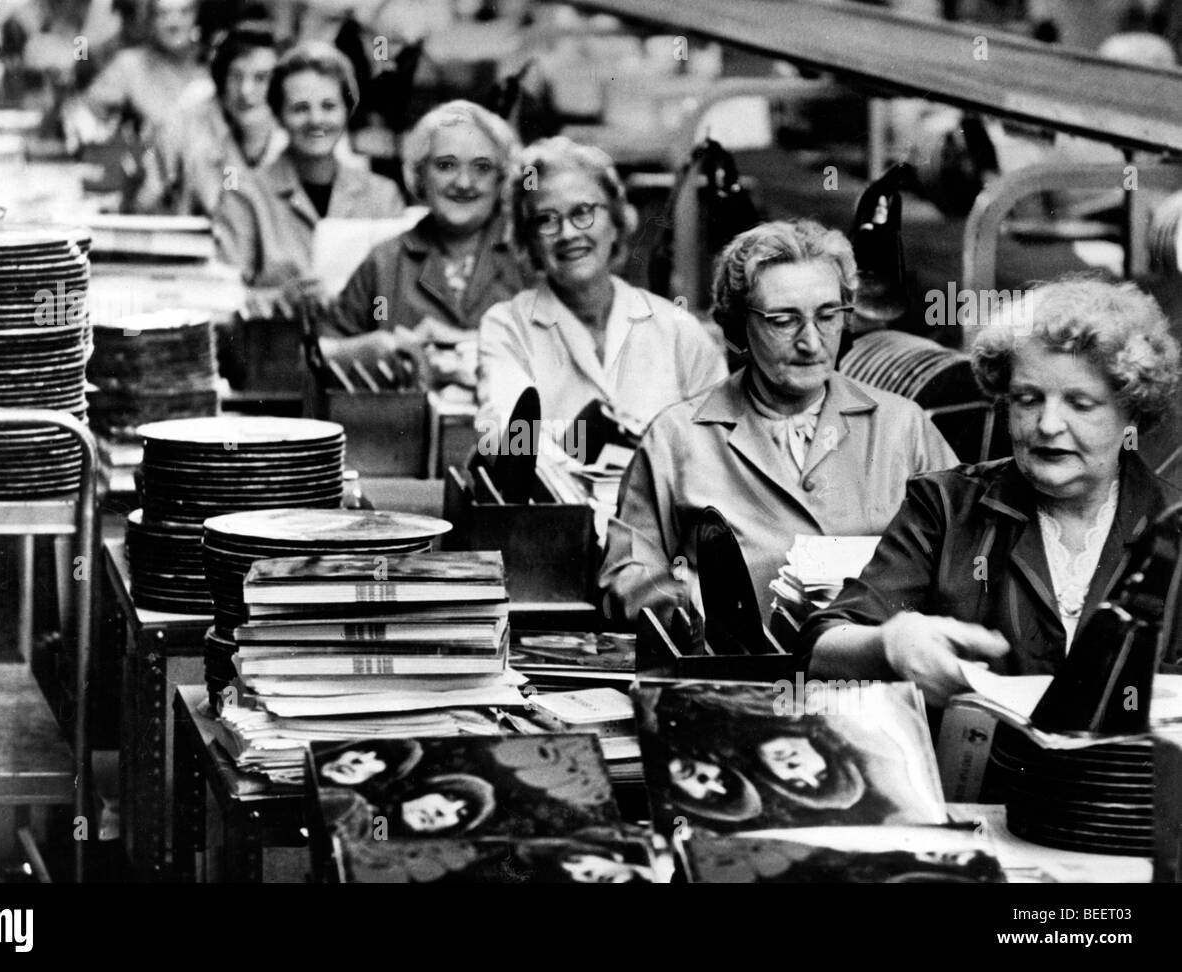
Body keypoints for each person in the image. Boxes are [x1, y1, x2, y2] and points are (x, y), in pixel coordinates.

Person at [800, 277, 1182, 707]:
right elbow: (822, 644)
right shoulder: (944, 507)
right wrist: (891, 642)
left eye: (1080, 404)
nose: (1048, 425)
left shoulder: (1174, 527)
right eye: (1028, 399)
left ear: (1132, 410)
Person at [600, 219, 958, 625]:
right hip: (743, 678)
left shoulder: (904, 428)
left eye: (828, 315)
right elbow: (625, 575)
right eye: (783, 320)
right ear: (738, 324)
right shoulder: (678, 437)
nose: (811, 342)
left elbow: (966, 564)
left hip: (879, 674)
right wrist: (694, 609)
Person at [477, 136, 727, 460]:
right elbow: (506, 437)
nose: (567, 233)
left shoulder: (677, 328)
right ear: (529, 241)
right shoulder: (508, 325)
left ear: (616, 220)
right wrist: (592, 435)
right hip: (560, 509)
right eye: (546, 220)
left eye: (583, 212)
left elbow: (721, 440)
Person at [316, 99, 530, 385]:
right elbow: (317, 356)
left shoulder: (529, 255)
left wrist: (468, 342)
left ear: (501, 179)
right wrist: (366, 350)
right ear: (419, 174)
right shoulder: (383, 261)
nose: (464, 182)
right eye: (445, 165)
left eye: (482, 167)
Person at [213, 41, 405, 305]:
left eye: (328, 106)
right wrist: (280, 299)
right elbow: (223, 298)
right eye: (300, 108)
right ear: (279, 115)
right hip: (280, 342)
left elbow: (397, 296)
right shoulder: (244, 195)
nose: (316, 120)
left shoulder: (383, 195)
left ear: (347, 112)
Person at [134, 22, 286, 216]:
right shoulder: (191, 113)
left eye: (261, 78)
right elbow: (150, 196)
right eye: (236, 76)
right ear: (221, 77)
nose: (246, 91)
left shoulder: (290, 130)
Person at [67, 0, 210, 144]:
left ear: (196, 15)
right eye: (163, 14)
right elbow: (83, 113)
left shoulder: (213, 62)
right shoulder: (131, 65)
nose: (173, 23)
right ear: (151, 19)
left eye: (184, 12)